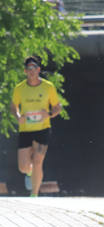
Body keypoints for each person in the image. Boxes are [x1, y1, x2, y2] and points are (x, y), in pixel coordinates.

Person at [10, 56, 61, 197]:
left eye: (34, 68)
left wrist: (49, 114)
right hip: (26, 130)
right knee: (23, 167)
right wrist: (19, 116)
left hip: (42, 129)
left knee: (38, 161)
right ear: (25, 71)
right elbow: (13, 107)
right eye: (29, 69)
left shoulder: (48, 87)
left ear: (39, 70)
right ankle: (29, 171)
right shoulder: (19, 88)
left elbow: (58, 107)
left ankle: (34, 193)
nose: (31, 71)